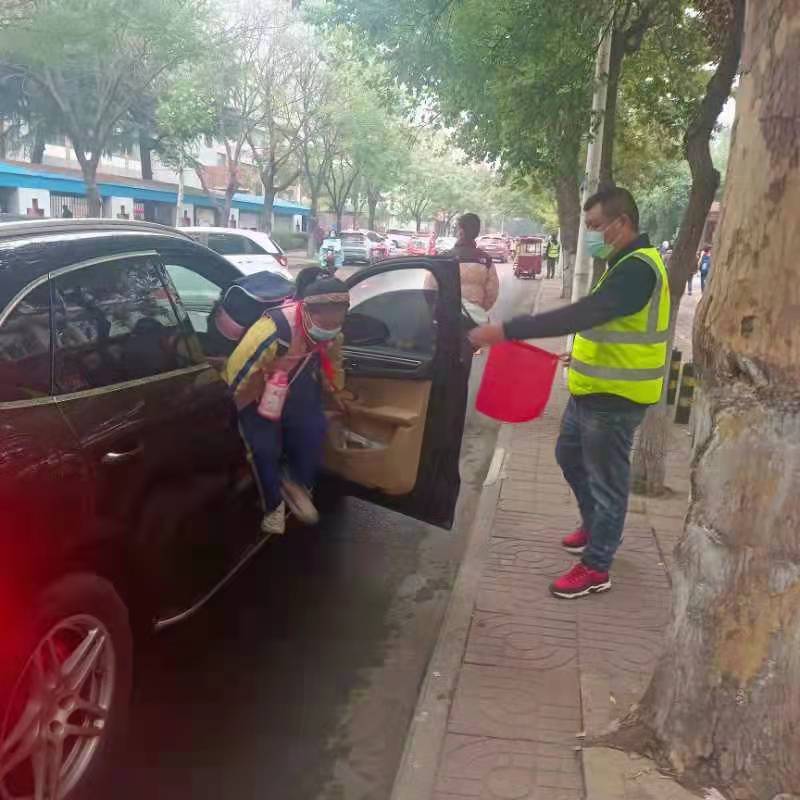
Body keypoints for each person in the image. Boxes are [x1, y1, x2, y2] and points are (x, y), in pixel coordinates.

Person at [469, 187, 670, 599]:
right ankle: (597, 527)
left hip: (616, 398)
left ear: (621, 223)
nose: (592, 234)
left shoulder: (638, 268)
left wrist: (509, 330)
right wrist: (578, 353)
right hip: (592, 389)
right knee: (568, 456)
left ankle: (597, 566)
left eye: (596, 226)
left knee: (609, 484)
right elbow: (610, 325)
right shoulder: (622, 263)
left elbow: (587, 313)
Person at [224, 276, 349, 535]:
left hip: (293, 383)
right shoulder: (273, 329)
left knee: (314, 429)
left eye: (336, 323)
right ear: (308, 311)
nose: (330, 330)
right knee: (264, 448)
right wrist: (236, 406)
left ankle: (296, 481)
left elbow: (333, 361)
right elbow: (238, 370)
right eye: (325, 324)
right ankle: (273, 506)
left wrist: (336, 390)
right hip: (255, 386)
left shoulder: (333, 333)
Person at [435, 212, 499, 327]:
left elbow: (430, 289)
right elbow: (492, 293)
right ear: (477, 232)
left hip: (448, 319)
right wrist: (477, 310)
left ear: (460, 231)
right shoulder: (486, 260)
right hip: (476, 320)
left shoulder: (444, 259)